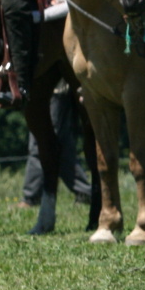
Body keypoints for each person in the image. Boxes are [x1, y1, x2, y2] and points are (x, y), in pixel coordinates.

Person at [18, 80, 92, 211]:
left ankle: (31, 197)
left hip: (53, 88)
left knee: (41, 141)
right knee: (60, 142)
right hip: (44, 88)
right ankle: (85, 192)